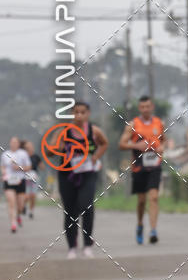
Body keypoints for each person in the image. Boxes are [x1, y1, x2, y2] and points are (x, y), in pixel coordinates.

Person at [53, 102, 108, 258]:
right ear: (72, 113)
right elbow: (51, 150)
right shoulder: (64, 132)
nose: (79, 115)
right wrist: (60, 148)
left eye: (82, 112)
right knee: (70, 210)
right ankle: (72, 246)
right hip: (67, 174)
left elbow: (104, 143)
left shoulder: (94, 131)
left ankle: (87, 243)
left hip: (87, 173)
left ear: (88, 113)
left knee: (86, 205)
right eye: (76, 112)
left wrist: (96, 156)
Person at [119, 96, 165, 245]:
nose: (145, 109)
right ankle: (140, 224)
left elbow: (163, 140)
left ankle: (153, 230)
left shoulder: (159, 123)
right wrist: (135, 146)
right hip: (139, 166)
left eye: (148, 106)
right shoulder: (132, 124)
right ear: (140, 108)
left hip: (155, 165)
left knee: (153, 197)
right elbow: (121, 144)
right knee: (141, 201)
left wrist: (162, 147)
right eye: (142, 107)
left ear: (152, 107)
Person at [2, 137, 31, 232]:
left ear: (18, 144)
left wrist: (19, 168)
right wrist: (3, 173)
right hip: (9, 180)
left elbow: (29, 167)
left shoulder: (23, 154)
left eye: (15, 142)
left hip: (20, 180)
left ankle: (18, 215)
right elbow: (2, 166)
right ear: (10, 143)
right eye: (12, 142)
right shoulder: (5, 154)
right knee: (11, 202)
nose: (13, 144)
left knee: (20, 206)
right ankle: (13, 223)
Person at [23, 140, 42, 219]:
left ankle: (31, 211)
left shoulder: (36, 156)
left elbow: (41, 166)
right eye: (28, 147)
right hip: (25, 177)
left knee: (33, 196)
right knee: (26, 196)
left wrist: (41, 165)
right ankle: (23, 206)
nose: (30, 148)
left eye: (31, 147)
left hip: (34, 177)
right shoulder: (23, 156)